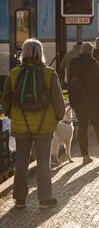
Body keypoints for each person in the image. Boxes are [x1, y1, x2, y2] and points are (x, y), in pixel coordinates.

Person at [2, 38, 65, 209]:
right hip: (44, 126)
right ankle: (44, 199)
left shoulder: (14, 74)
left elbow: (5, 101)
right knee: (43, 161)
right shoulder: (49, 73)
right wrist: (58, 118)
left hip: (21, 125)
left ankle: (20, 199)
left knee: (21, 161)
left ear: (24, 53)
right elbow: (58, 102)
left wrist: (12, 114)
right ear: (40, 53)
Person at [68, 42, 99, 165]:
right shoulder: (93, 62)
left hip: (78, 102)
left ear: (81, 51)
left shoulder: (73, 63)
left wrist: (72, 100)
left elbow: (69, 83)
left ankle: (85, 156)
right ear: (91, 52)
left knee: (82, 128)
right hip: (92, 101)